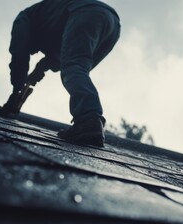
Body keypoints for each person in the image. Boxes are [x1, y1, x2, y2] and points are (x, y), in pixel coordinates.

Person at [9, 0, 120, 147]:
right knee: (78, 67)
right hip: (111, 24)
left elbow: (19, 53)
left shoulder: (23, 19)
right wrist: (40, 68)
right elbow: (60, 55)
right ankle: (89, 119)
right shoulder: (48, 19)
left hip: (83, 11)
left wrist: (16, 89)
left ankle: (88, 119)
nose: (34, 51)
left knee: (73, 67)